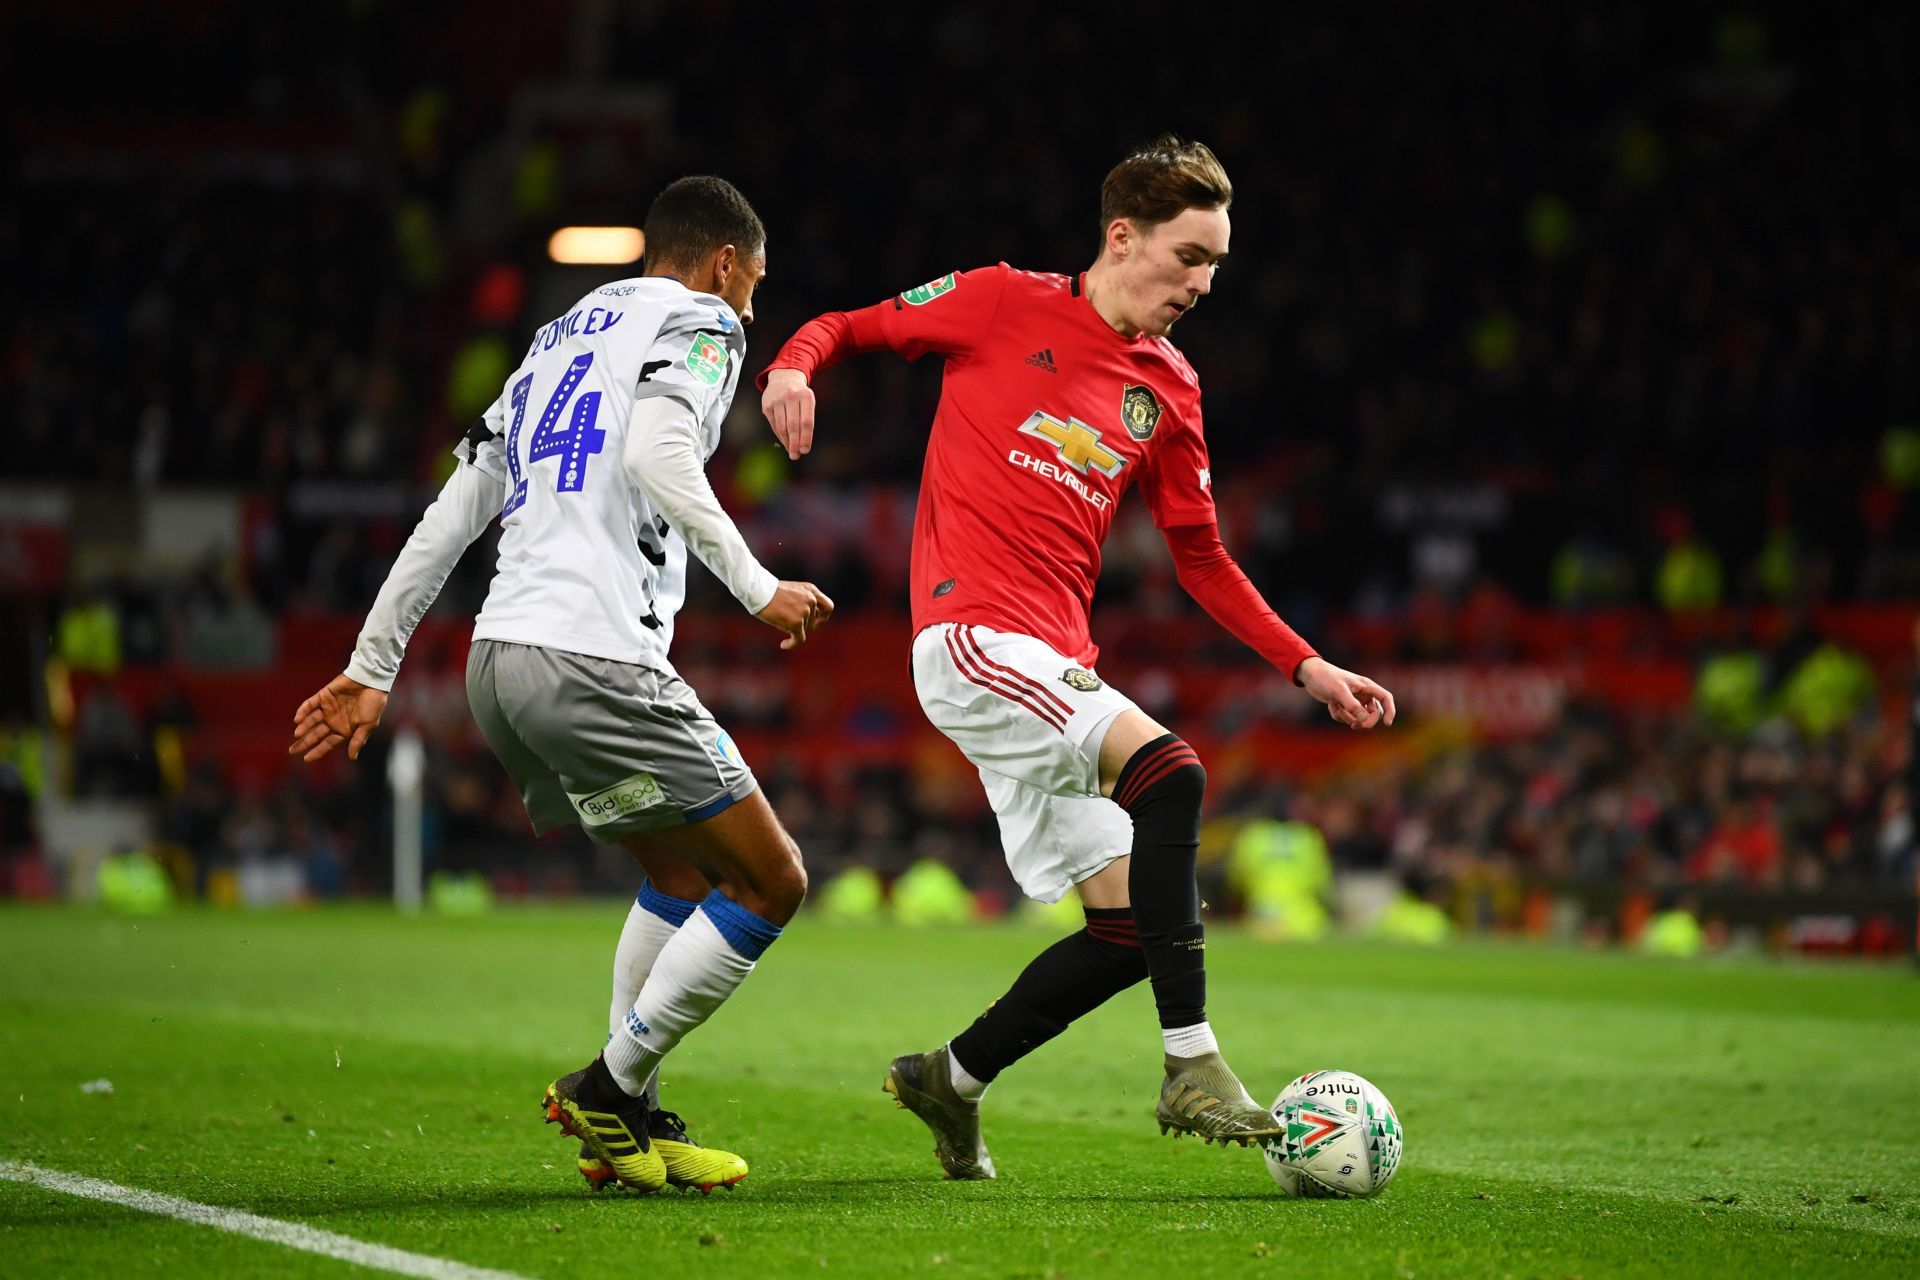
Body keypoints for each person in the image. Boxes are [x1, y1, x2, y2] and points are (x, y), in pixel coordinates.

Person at [759, 136, 1396, 1177]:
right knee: (1174, 772)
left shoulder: (1169, 389)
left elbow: (1201, 556)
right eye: (1189, 256)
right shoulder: (1001, 300)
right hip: (970, 636)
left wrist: (1307, 664)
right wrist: (792, 367)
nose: (1202, 283)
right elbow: (850, 324)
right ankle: (1191, 1060)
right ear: (1121, 237)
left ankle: (949, 1077)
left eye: (1217, 265)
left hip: (1054, 662)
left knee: (1127, 929)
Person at [289, 176, 833, 1195]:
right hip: (594, 657)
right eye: (752, 287)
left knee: (679, 874)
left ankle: (616, 1133)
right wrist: (758, 587)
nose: (750, 312)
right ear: (724, 263)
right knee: (774, 878)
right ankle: (611, 1086)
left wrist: (373, 665)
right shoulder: (702, 320)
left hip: (501, 661)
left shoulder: (551, 343)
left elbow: (452, 514)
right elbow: (659, 450)